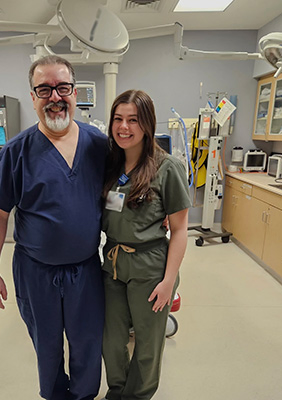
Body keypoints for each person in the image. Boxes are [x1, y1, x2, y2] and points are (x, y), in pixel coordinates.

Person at [0, 55, 108, 400]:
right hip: (35, 272)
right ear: (33, 96)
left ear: (75, 92)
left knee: (88, 344)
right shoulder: (17, 152)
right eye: (44, 89)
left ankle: (84, 396)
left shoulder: (98, 145)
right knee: (47, 346)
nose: (55, 96)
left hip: (85, 270)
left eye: (62, 87)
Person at [101, 90, 191, 400]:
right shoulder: (109, 166)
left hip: (151, 265)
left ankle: (138, 396)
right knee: (111, 339)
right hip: (112, 262)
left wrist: (168, 282)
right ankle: (117, 391)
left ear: (147, 125)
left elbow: (180, 230)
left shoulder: (167, 168)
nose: (123, 127)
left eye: (133, 120)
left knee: (148, 343)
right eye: (118, 119)